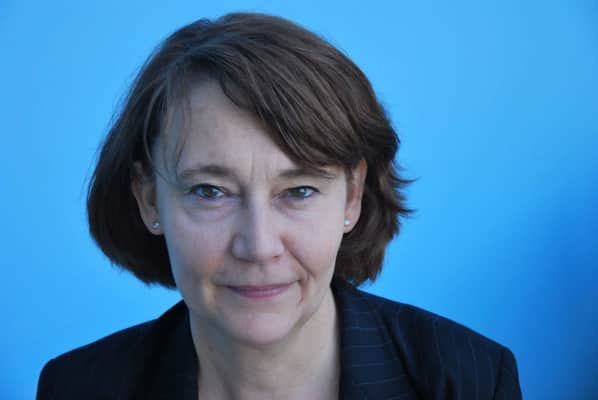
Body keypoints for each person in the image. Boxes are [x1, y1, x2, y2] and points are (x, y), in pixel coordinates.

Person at [36, 12, 522, 400]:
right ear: (149, 200)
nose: (258, 245)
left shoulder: (467, 381)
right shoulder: (77, 387)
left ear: (352, 196)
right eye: (210, 191)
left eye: (299, 191)